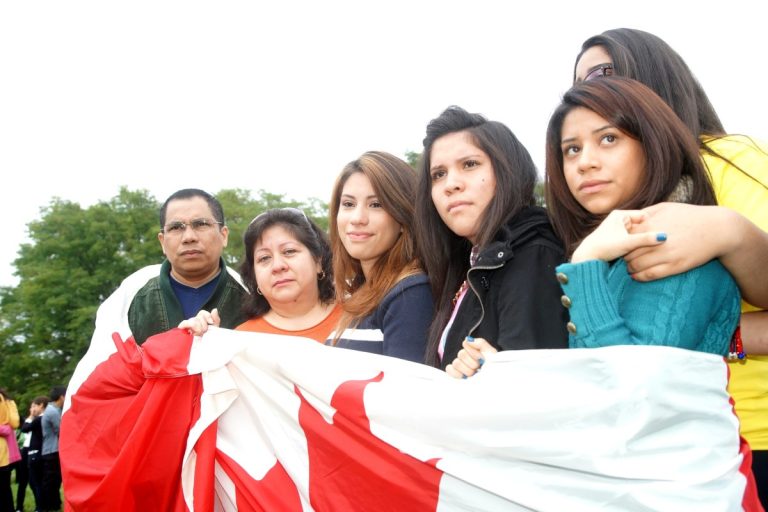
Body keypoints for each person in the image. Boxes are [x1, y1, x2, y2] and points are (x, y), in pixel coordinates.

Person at [573, 28, 768, 504]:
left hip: (751, 434)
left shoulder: (725, 160)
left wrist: (729, 233)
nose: (592, 93)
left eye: (602, 74)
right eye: (580, 84)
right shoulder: (607, 201)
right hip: (662, 448)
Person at [545, 76, 740, 355]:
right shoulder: (610, 245)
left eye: (609, 139)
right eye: (572, 149)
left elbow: (632, 376)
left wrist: (586, 263)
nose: (585, 163)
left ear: (654, 144)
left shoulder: (680, 243)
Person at [413, 106, 568, 378]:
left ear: (507, 170)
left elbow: (535, 386)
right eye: (438, 174)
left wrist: (483, 375)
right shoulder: (469, 262)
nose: (451, 184)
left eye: (469, 164)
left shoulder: (534, 255)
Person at [65, 188, 249, 409]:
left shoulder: (250, 296)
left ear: (224, 235)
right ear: (162, 241)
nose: (189, 237)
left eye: (201, 224)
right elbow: (97, 378)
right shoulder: (132, 293)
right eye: (176, 228)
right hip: (146, 420)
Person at [327, 151, 433, 362]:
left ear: (403, 217)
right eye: (348, 204)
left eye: (376, 205)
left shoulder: (410, 293)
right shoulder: (362, 291)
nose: (357, 218)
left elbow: (406, 381)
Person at [183, 208, 341, 342]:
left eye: (289, 251)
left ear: (318, 261)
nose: (278, 266)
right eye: (264, 258)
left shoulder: (354, 320)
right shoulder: (241, 342)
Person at [21, 397, 47, 512]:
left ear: (41, 405)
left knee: (35, 482)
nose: (33, 409)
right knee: (37, 482)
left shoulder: (39, 419)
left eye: (34, 406)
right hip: (42, 452)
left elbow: (24, 428)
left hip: (35, 453)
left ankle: (40, 507)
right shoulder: (45, 418)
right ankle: (42, 506)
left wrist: (31, 416)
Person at [41, 387, 65, 512]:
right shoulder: (53, 412)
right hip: (52, 450)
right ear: (61, 396)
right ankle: (49, 505)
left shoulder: (53, 410)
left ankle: (55, 504)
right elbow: (61, 430)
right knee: (52, 480)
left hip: (51, 450)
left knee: (55, 480)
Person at [0, 389, 20, 512]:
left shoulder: (8, 403)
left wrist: (8, 405)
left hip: (4, 455)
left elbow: (14, 423)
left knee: (4, 489)